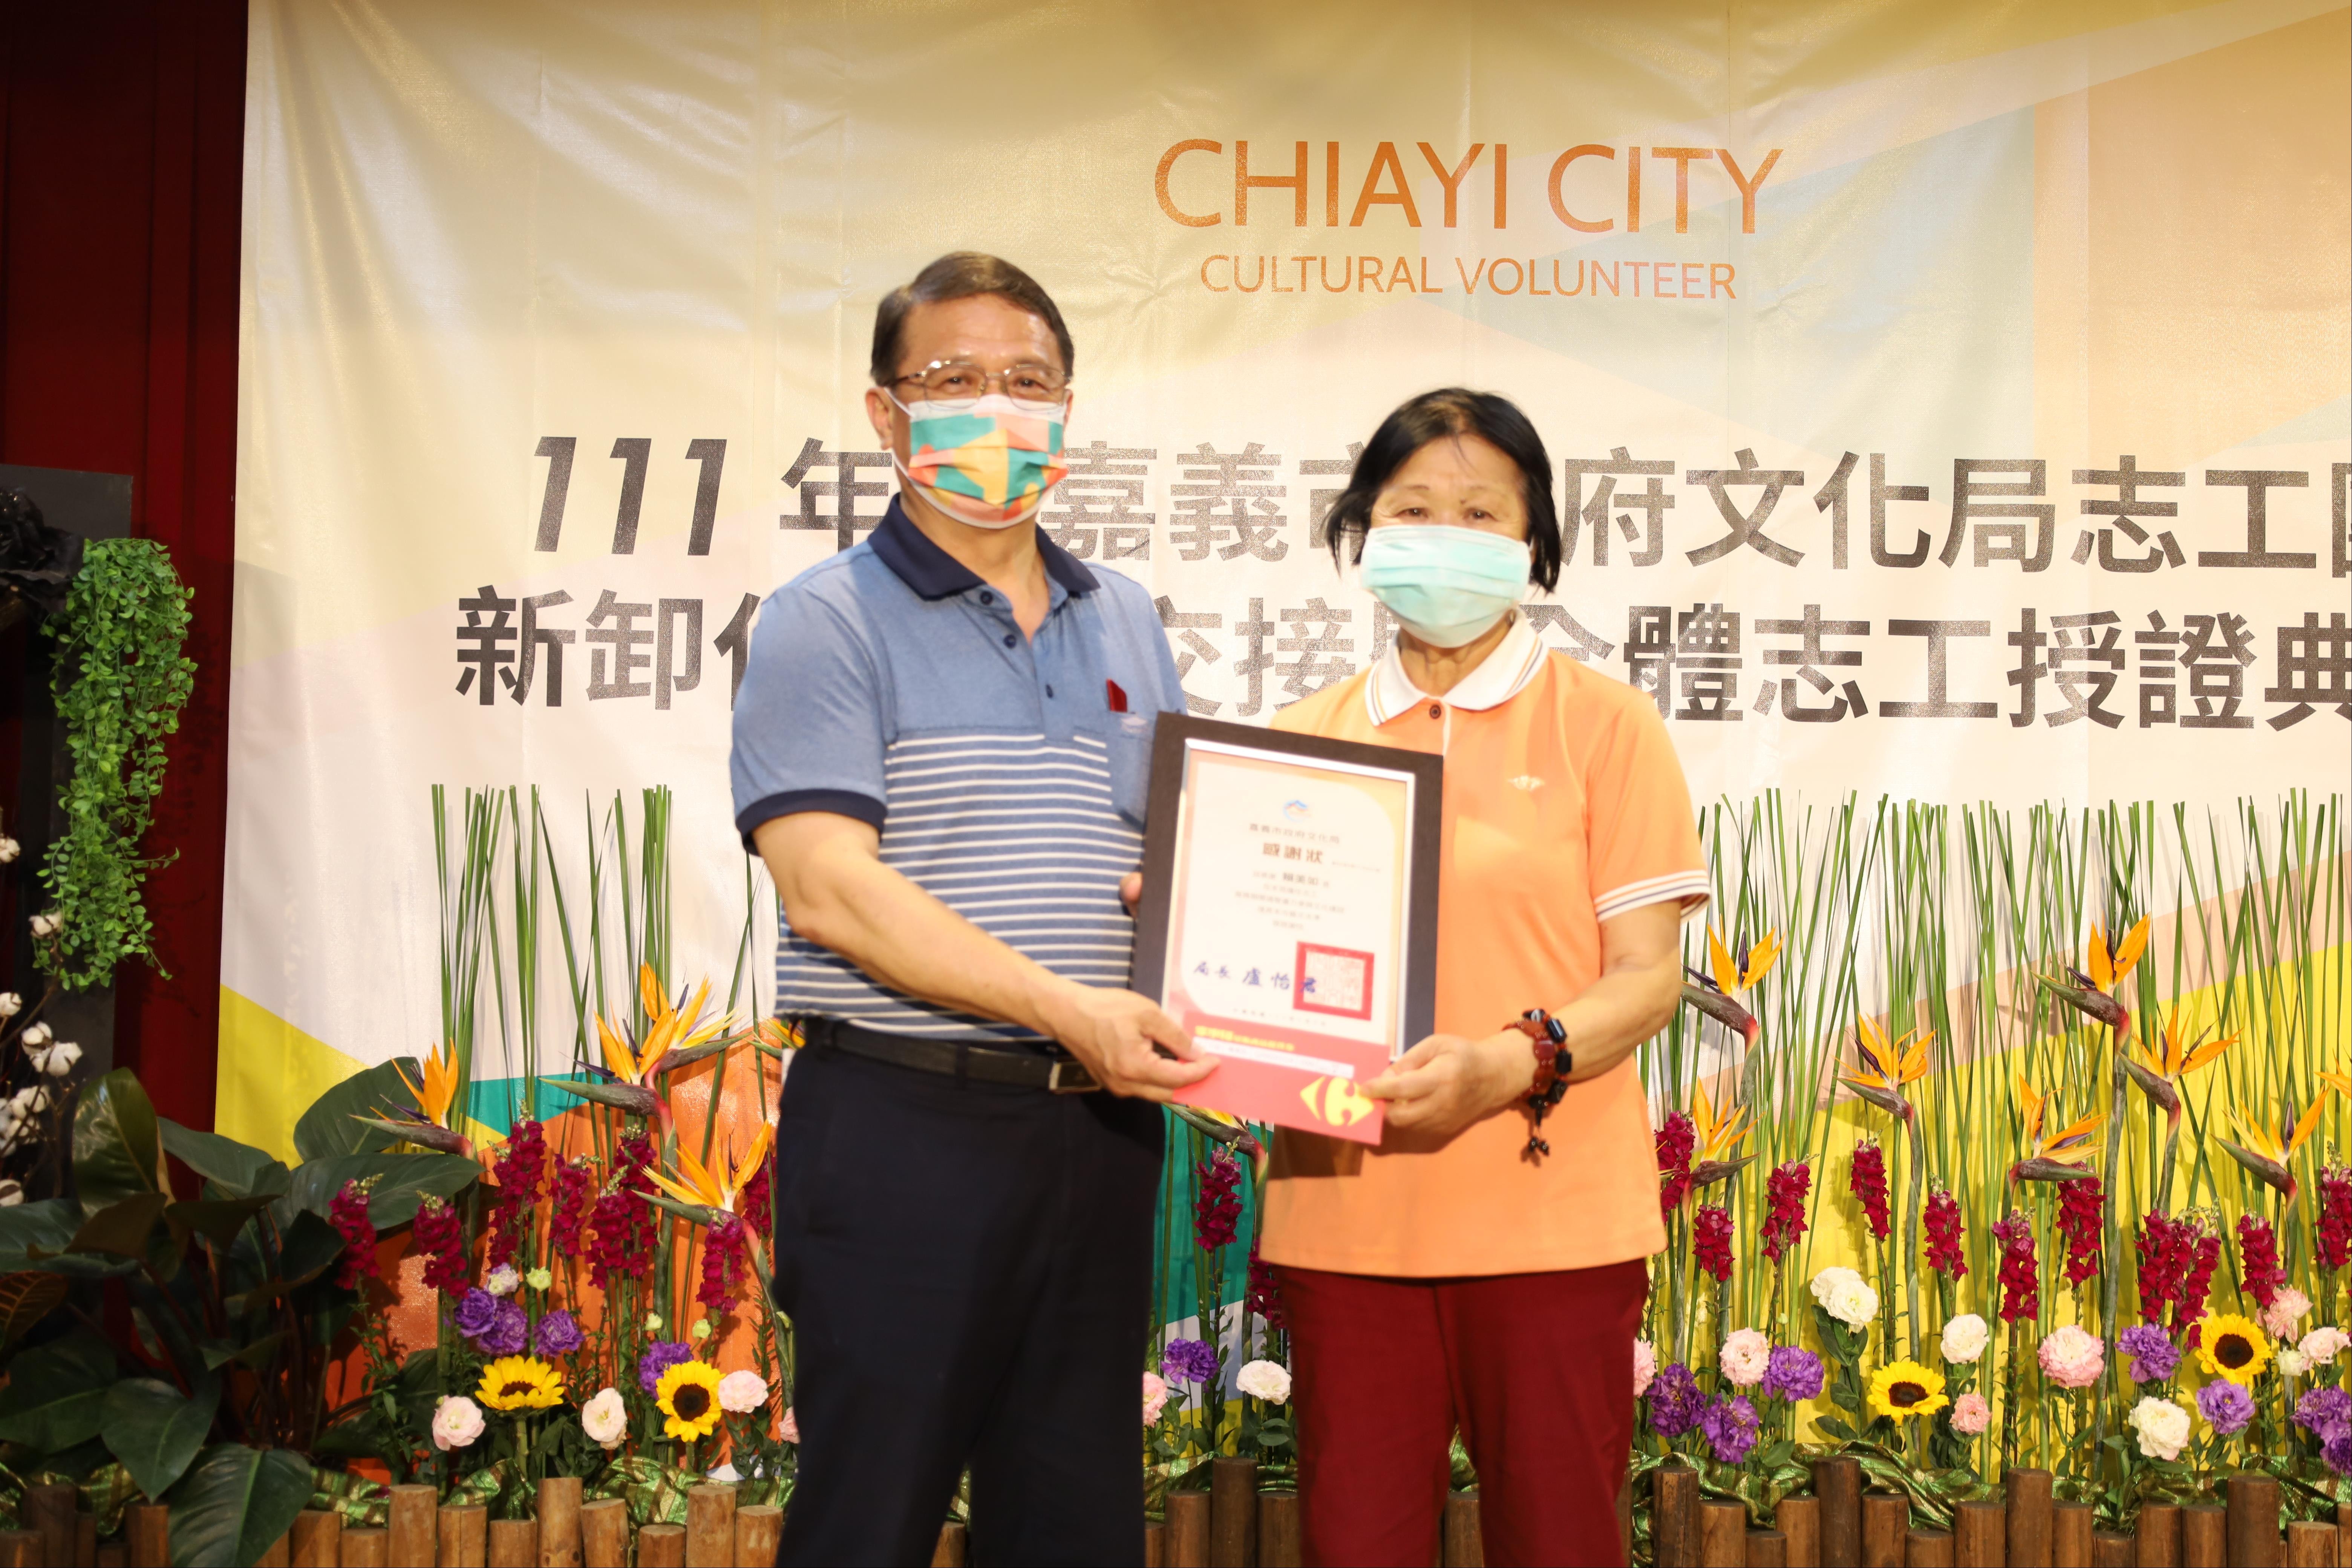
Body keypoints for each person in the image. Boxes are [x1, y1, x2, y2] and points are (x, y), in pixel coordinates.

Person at [730, 252, 1214, 1566]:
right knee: (868, 1521)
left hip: (1097, 1136)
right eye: (952, 379)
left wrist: (1188, 910)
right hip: (904, 1128)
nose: (996, 407)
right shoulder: (826, 620)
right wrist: (1064, 1006)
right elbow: (830, 889)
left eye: (1027, 381)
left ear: (1067, 409)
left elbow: (1168, 855)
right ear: (886, 414)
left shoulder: (1124, 618)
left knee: (1074, 1522)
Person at [1259, 389, 1709, 1567]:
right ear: (1363, 532)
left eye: (1480, 512)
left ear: (1533, 543)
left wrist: (1508, 1064)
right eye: (1412, 509)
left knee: (1561, 1543)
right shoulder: (1298, 738)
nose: (1444, 537)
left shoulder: (1605, 725)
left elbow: (1647, 981)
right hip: (1347, 1222)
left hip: (1554, 1227)